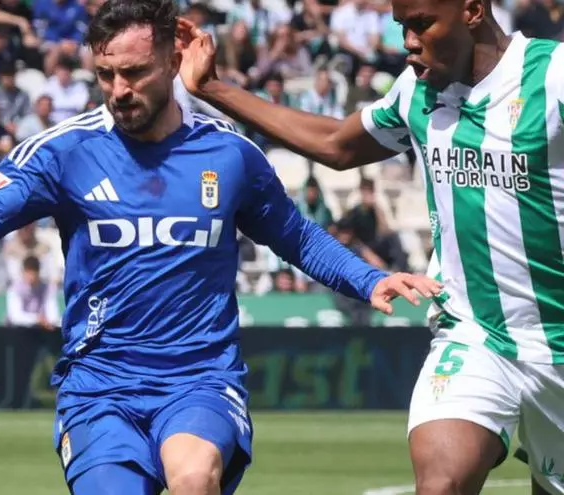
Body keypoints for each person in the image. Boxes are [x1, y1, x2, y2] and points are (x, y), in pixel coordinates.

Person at [0, 1, 439, 494]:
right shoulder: (65, 151)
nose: (119, 89)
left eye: (134, 72)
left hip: (200, 379)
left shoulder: (229, 153)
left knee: (194, 478)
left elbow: (296, 236)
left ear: (171, 61)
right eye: (106, 75)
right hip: (98, 386)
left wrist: (369, 279)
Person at [178, 5, 564, 493]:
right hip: (476, 335)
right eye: (402, 26)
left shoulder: (553, 76)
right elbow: (337, 144)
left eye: (421, 23)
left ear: (470, 10)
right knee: (440, 483)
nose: (408, 41)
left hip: (556, 342)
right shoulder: (417, 91)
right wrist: (212, 88)